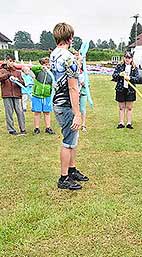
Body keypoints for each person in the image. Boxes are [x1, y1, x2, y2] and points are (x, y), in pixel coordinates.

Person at [50, 22, 88, 190]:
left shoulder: (54, 54)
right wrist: (77, 113)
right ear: (70, 37)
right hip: (66, 104)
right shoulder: (68, 57)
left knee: (73, 139)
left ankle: (71, 170)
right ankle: (63, 178)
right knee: (68, 141)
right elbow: (73, 87)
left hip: (58, 101)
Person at [112, 51, 139, 129]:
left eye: (129, 58)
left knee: (129, 107)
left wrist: (130, 78)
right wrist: (120, 75)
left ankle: (129, 123)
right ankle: (121, 122)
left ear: (131, 59)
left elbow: (137, 79)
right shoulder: (119, 66)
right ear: (123, 58)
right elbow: (114, 76)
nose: (127, 59)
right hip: (120, 89)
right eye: (126, 57)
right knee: (121, 107)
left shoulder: (134, 68)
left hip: (130, 90)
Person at [0, 55, 26, 135]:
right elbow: (1, 78)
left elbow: (23, 83)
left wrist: (18, 81)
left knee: (20, 112)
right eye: (10, 61)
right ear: (6, 61)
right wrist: (8, 75)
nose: (12, 63)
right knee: (9, 112)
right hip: (7, 94)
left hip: (17, 94)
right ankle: (11, 129)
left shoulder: (18, 72)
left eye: (13, 61)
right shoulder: (2, 70)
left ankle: (22, 128)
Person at [30, 57, 56, 135]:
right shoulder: (38, 71)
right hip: (37, 95)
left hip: (47, 95)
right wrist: (41, 67)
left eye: (48, 64)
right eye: (45, 64)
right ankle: (36, 128)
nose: (47, 66)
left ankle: (48, 127)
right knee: (37, 112)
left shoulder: (51, 73)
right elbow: (32, 68)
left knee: (47, 112)